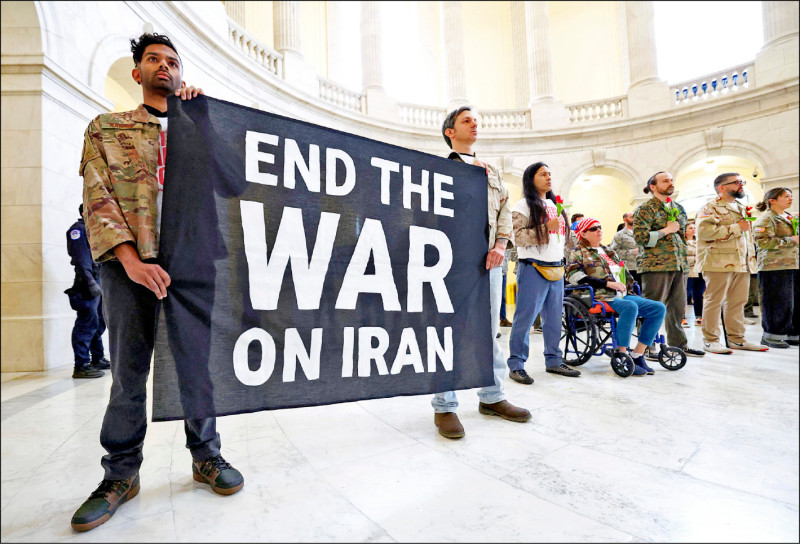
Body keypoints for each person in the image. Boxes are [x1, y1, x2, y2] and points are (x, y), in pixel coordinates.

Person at [71, 33, 244, 533]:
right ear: (137, 72)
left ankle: (205, 456)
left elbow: (234, 182)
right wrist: (130, 260)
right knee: (129, 373)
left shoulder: (197, 127)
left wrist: (205, 121)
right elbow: (97, 198)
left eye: (172, 61)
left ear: (181, 73)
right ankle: (120, 475)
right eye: (153, 60)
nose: (164, 66)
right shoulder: (107, 128)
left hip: (194, 263)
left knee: (196, 366)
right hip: (130, 266)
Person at [432, 106, 531, 439]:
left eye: (476, 120)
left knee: (488, 333)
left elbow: (504, 209)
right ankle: (444, 405)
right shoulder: (438, 169)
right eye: (466, 121)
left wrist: (501, 245)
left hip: (489, 262)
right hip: (450, 263)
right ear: (450, 132)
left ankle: (492, 397)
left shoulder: (491, 171)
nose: (474, 124)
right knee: (449, 332)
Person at [506, 161, 580, 385]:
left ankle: (554, 360)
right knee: (525, 319)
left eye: (549, 174)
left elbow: (564, 239)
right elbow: (517, 237)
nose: (549, 177)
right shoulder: (522, 205)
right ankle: (517, 364)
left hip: (557, 268)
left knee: (554, 319)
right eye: (542, 174)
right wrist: (546, 228)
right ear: (531, 179)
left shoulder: (556, 206)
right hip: (533, 268)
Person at [566, 218, 667, 375]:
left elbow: (622, 272)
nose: (599, 230)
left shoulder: (608, 251)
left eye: (599, 227)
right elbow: (574, 277)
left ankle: (637, 355)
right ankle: (622, 354)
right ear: (583, 234)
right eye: (593, 229)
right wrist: (607, 284)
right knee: (630, 307)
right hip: (599, 296)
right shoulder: (577, 252)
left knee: (658, 308)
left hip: (622, 294)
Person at [632, 172, 705, 358]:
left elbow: (681, 236)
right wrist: (665, 230)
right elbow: (641, 238)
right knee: (652, 308)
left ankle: (679, 345)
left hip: (679, 264)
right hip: (656, 265)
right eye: (665, 181)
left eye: (671, 180)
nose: (670, 183)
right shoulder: (645, 209)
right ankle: (646, 347)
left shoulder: (678, 208)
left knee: (677, 308)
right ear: (653, 187)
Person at [695, 172, 769, 353]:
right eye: (736, 182)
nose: (741, 185)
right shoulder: (709, 207)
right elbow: (704, 233)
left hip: (742, 261)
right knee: (714, 301)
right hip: (717, 261)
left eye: (741, 181)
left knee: (738, 301)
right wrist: (736, 227)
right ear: (722, 187)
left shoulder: (741, 207)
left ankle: (737, 339)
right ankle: (711, 340)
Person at [65, 203, 110, 379]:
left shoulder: (94, 231)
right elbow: (81, 258)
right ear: (85, 213)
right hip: (86, 282)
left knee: (99, 321)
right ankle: (81, 365)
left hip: (98, 279)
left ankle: (97, 358)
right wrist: (90, 281)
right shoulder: (78, 230)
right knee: (86, 324)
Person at [753, 188, 799, 348]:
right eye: (786, 196)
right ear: (772, 200)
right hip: (774, 266)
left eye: (791, 196)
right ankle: (772, 336)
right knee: (777, 302)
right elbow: (762, 241)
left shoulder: (789, 217)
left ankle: (792, 334)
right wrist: (791, 240)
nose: (790, 198)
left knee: (793, 301)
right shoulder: (766, 219)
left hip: (793, 264)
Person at [610, 211, 641, 286]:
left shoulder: (641, 232)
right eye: (631, 216)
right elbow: (613, 253)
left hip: (643, 266)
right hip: (631, 268)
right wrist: (632, 252)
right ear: (625, 219)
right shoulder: (619, 235)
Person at [683, 221, 705, 326]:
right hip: (688, 271)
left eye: (694, 228)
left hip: (699, 271)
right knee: (685, 294)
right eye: (691, 228)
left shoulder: (699, 242)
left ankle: (699, 316)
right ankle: (682, 317)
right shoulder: (682, 243)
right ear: (685, 231)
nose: (693, 230)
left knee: (699, 294)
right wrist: (694, 259)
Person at [499, 246, 517, 327]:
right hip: (494, 270)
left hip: (503, 271)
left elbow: (512, 257)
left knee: (502, 296)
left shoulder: (509, 244)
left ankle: (503, 319)